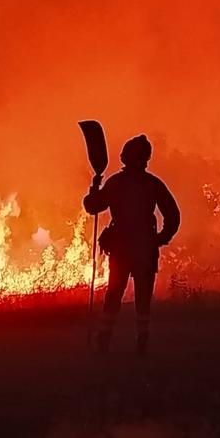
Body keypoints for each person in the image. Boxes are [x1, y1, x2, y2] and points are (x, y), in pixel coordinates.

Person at [83, 134, 180, 354]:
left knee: (114, 295)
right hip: (144, 248)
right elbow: (173, 215)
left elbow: (93, 206)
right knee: (142, 299)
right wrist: (161, 237)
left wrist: (94, 187)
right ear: (145, 158)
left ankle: (104, 341)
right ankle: (141, 342)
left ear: (126, 157)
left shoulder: (117, 183)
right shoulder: (152, 184)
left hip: (122, 248)